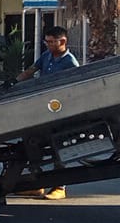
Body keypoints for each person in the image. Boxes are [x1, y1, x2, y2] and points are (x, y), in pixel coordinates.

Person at [14, 25, 81, 200]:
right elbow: (31, 71)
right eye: (47, 42)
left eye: (52, 42)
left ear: (63, 41)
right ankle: (37, 184)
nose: (49, 45)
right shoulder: (46, 56)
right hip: (42, 109)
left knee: (59, 146)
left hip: (60, 111)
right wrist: (14, 81)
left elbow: (74, 88)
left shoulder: (70, 62)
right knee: (31, 142)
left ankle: (60, 186)